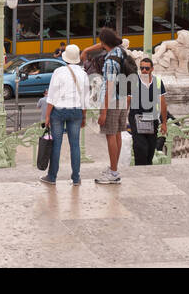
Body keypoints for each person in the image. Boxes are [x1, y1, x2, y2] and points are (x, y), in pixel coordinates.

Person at [40, 44, 88, 185]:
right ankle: (76, 178)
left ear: (65, 57)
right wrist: (83, 116)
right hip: (76, 111)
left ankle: (52, 177)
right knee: (75, 146)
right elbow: (85, 98)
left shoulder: (59, 72)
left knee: (56, 145)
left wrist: (47, 116)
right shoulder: (83, 74)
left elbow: (52, 96)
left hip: (59, 111)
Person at [95, 27, 130, 184]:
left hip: (112, 101)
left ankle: (114, 172)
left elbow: (108, 87)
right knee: (117, 134)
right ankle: (113, 168)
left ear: (103, 43)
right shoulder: (120, 52)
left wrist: (103, 112)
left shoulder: (109, 61)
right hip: (122, 98)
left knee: (111, 135)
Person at [130, 55, 168, 165]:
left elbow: (163, 103)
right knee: (140, 146)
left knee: (151, 148)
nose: (144, 71)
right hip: (136, 118)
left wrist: (164, 123)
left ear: (152, 69)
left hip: (152, 119)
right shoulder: (134, 81)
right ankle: (140, 171)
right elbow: (128, 100)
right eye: (141, 68)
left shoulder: (158, 82)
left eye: (146, 68)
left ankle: (147, 169)